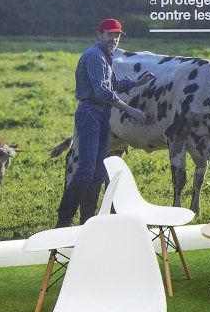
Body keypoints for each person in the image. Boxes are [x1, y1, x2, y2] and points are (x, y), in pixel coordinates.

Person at [62, 17, 148, 225]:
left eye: (117, 35)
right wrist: (129, 109)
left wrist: (137, 82)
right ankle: (64, 219)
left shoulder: (105, 55)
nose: (114, 39)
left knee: (99, 170)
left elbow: (113, 84)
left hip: (101, 115)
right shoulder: (94, 56)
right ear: (99, 35)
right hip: (90, 114)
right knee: (86, 170)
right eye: (110, 34)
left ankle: (89, 218)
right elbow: (102, 91)